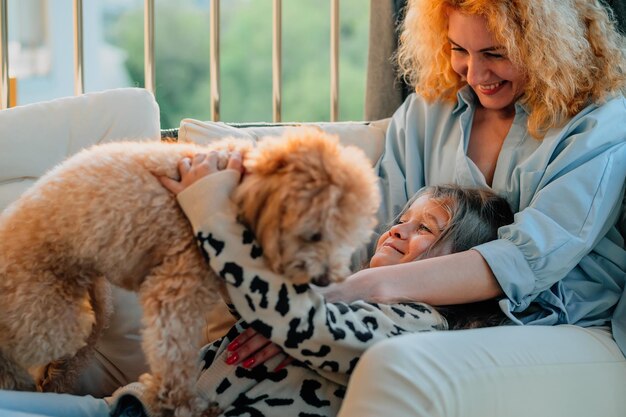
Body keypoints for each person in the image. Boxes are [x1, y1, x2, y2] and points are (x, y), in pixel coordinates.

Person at [0, 158, 514, 417]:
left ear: (464, 267)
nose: (397, 230)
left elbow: (297, 322)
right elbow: (260, 297)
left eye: (426, 228)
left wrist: (212, 211)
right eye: (400, 219)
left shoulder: (420, 328)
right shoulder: (341, 293)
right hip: (133, 405)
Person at [319, 0, 626, 416]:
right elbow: (371, 230)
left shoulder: (600, 122)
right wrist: (308, 312)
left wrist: (359, 291)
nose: (475, 74)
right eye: (459, 49)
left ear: (547, 45)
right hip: (427, 313)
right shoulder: (427, 113)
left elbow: (525, 259)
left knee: (396, 365)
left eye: (496, 54)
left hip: (562, 322)